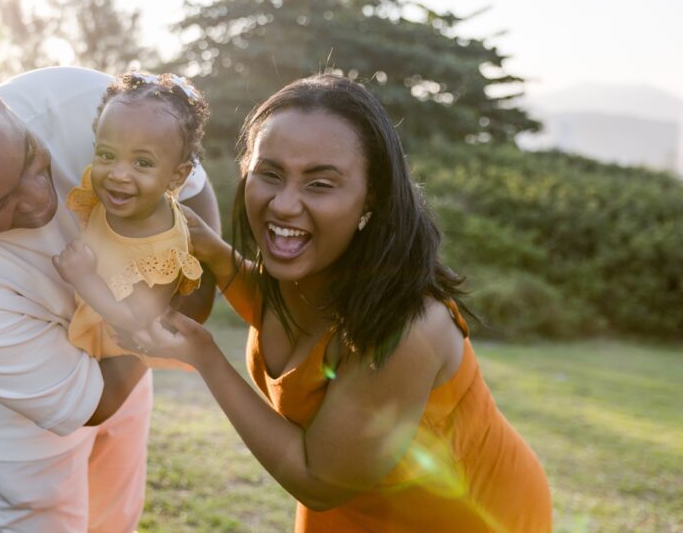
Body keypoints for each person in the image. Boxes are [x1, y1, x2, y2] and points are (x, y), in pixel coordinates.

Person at [134, 74, 552, 532]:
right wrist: (213, 250)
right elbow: (290, 323)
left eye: (320, 184)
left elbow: (317, 478)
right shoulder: (310, 274)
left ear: (370, 197)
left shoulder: (412, 327)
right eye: (270, 174)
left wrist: (205, 356)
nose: (285, 205)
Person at [0, 63, 219, 533]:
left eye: (30, 157)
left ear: (8, 108)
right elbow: (95, 402)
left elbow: (194, 198)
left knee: (116, 519)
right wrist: (150, 331)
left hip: (127, 336)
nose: (38, 200)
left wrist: (165, 312)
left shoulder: (87, 102)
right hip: (21, 404)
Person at [53, 73, 209, 372]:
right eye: (107, 154)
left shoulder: (164, 252)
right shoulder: (121, 191)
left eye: (142, 162)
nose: (118, 174)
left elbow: (135, 318)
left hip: (113, 339)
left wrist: (84, 278)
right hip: (81, 305)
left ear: (177, 175)